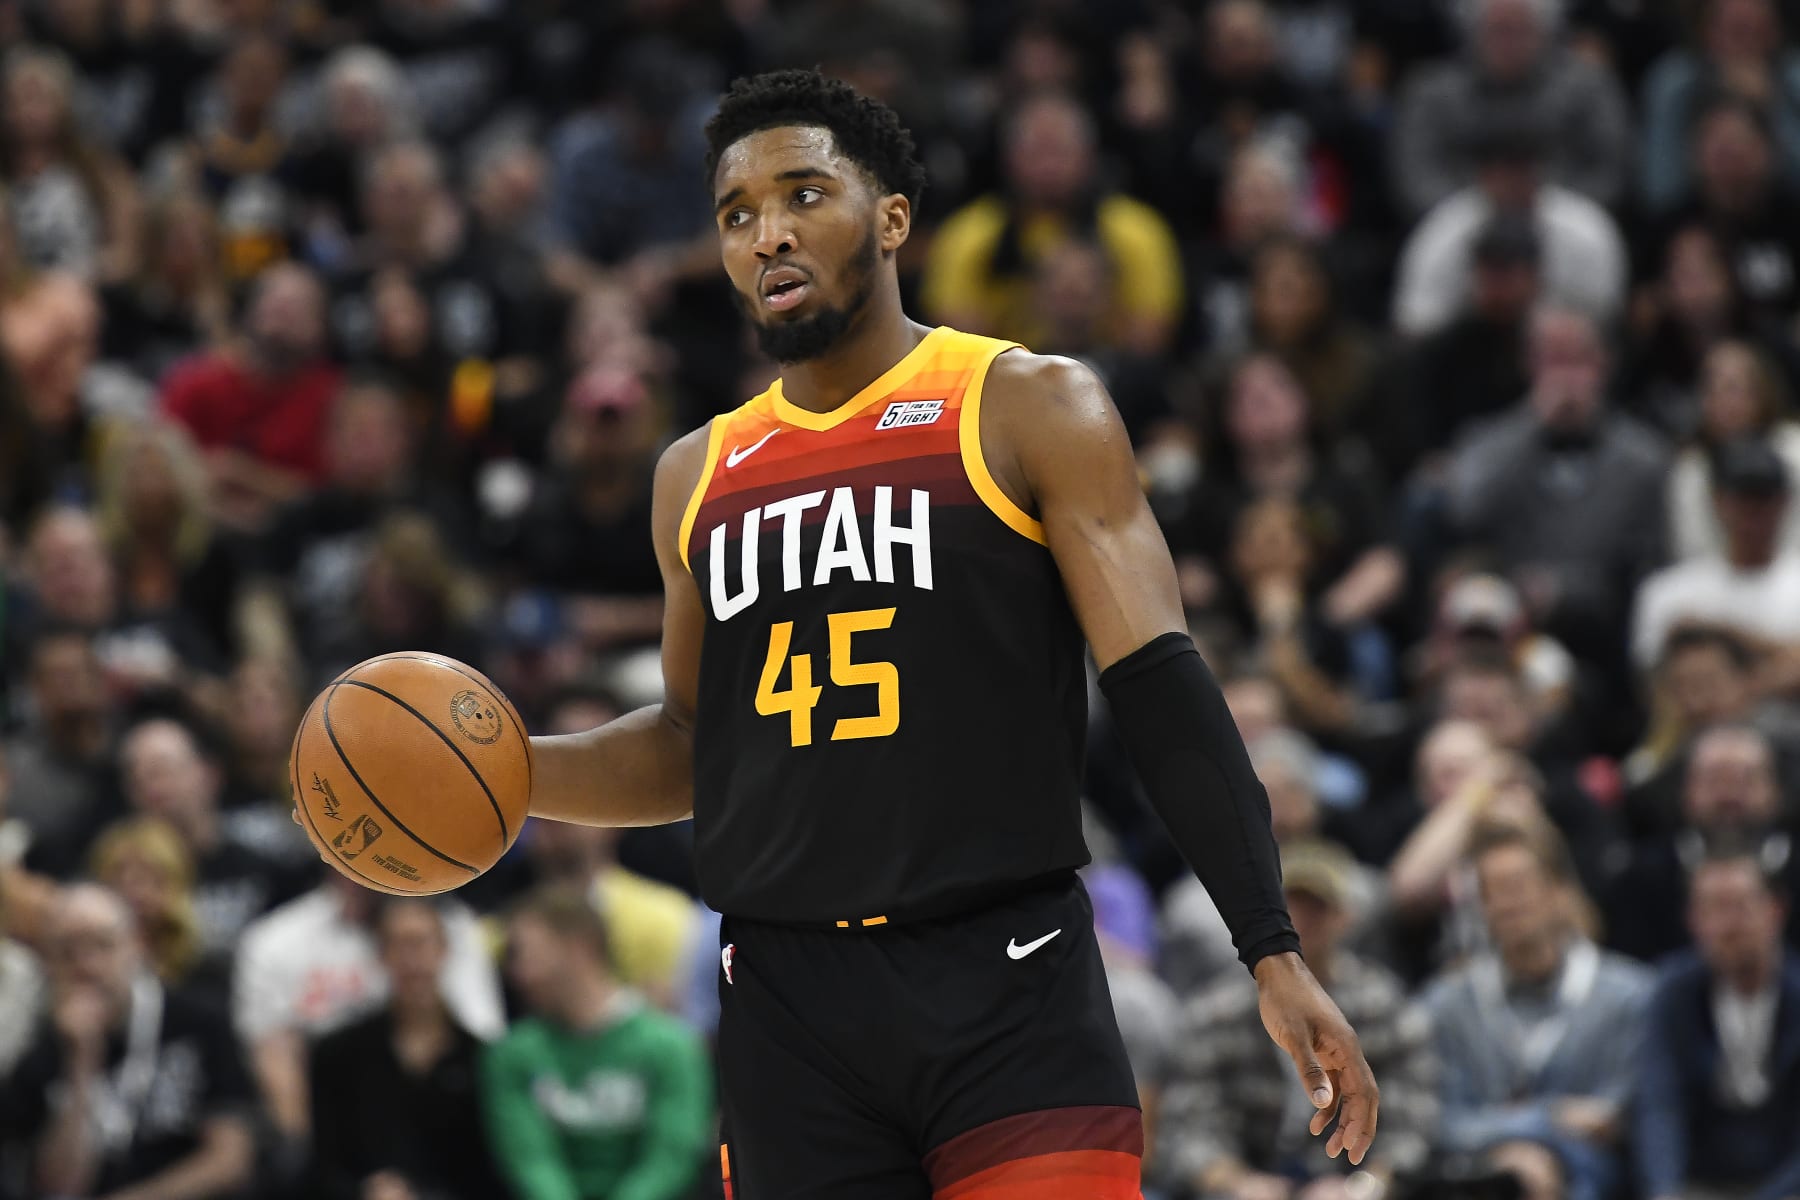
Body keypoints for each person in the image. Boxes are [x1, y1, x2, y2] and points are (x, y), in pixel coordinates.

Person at [509, 70, 1377, 1197]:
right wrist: (506, 779)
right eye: (736, 215)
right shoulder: (697, 474)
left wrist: (1271, 946)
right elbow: (689, 743)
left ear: (893, 218)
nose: (769, 233)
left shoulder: (1025, 405)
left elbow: (1164, 690)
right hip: (788, 1008)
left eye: (805, 195)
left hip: (1006, 979)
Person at [1158, 841, 1437, 1200]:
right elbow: (1189, 1126)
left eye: (1317, 906)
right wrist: (1236, 1183)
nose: (1302, 919)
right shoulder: (1217, 1011)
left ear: (1344, 917)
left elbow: (1412, 1123)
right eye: (1291, 905)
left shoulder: (1385, 1008)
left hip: (1349, 1184)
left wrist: (1366, 1186)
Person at [1426, 826, 1652, 1200]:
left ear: (1560, 893)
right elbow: (1440, 1123)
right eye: (1490, 892)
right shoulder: (1447, 1003)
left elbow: (1619, 1120)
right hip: (1483, 1179)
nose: (1506, 903)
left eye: (1517, 886)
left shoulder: (1630, 997)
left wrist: (1544, 1151)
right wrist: (1545, 1122)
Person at [0, 883, 254, 1199]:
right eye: (68, 951)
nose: (87, 964)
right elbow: (59, 1189)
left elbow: (230, 1161)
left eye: (102, 945)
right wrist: (81, 1062)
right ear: (50, 965)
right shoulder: (41, 1054)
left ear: (136, 945)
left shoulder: (200, 1023)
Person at [482, 884, 712, 1200]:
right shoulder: (513, 1054)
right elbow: (532, 1162)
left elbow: (671, 1159)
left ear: (580, 947)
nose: (517, 973)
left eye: (525, 952)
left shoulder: (670, 1047)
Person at [311, 900, 504, 1200]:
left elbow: (495, 1169)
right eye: (398, 944)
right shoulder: (338, 1053)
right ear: (381, 955)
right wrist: (366, 1190)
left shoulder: (481, 1056)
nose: (412, 958)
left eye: (421, 942)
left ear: (444, 950)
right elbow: (324, 1164)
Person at [1636, 851, 1800, 1200]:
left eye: (1741, 906)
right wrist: (1665, 1191)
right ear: (1693, 920)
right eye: (1714, 909)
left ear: (1775, 911)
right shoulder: (1673, 991)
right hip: (1700, 1184)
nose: (1729, 926)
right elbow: (1660, 1103)